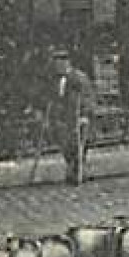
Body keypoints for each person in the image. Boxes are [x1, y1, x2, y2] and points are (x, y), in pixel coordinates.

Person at [47, 52, 95, 185]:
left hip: (76, 115)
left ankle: (78, 171)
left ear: (67, 63)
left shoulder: (79, 77)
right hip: (62, 117)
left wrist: (85, 115)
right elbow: (54, 97)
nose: (57, 67)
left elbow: (87, 97)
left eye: (60, 63)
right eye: (55, 64)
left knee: (78, 144)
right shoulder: (56, 79)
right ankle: (72, 167)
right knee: (63, 142)